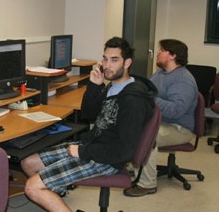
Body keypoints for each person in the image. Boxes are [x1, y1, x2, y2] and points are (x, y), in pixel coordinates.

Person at [20, 37, 157, 211]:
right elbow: (89, 115)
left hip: (106, 159)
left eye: (114, 60)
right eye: (105, 59)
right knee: (29, 162)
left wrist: (82, 151)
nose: (107, 65)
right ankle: (56, 195)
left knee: (32, 187)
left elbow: (124, 150)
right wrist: (94, 86)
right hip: (93, 145)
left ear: (127, 62)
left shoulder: (133, 101)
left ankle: (50, 192)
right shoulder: (113, 86)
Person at [123, 39, 198, 197]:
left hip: (179, 128)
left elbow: (176, 110)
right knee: (129, 125)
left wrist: (149, 98)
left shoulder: (183, 80)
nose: (157, 53)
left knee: (148, 136)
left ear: (173, 55)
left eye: (162, 50)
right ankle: (135, 165)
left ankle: (147, 183)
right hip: (160, 121)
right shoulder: (161, 72)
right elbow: (149, 89)